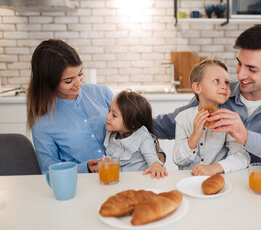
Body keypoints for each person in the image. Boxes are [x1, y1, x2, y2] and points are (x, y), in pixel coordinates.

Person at [154, 24, 261, 174]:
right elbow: (167, 125)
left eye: (251, 68)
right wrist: (150, 144)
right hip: (221, 191)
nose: (240, 74)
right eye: (239, 63)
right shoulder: (218, 94)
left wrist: (246, 137)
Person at [26, 39, 115, 173]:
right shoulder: (42, 123)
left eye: (80, 74)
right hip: (81, 184)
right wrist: (84, 168)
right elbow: (49, 172)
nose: (78, 83)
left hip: (122, 175)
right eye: (68, 81)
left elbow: (135, 126)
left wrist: (157, 152)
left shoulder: (102, 93)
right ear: (49, 82)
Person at [174, 57, 250, 176]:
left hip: (218, 179)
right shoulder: (183, 118)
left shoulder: (228, 119)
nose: (224, 86)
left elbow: (242, 157)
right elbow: (178, 159)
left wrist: (215, 168)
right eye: (216, 81)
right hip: (187, 180)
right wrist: (194, 137)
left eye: (226, 82)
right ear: (198, 88)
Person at [88, 90, 168, 179]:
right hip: (121, 181)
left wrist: (156, 164)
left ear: (131, 123)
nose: (107, 116)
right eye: (109, 111)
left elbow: (152, 159)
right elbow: (111, 160)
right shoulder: (111, 134)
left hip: (140, 181)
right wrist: (104, 164)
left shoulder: (142, 136)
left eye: (114, 115)